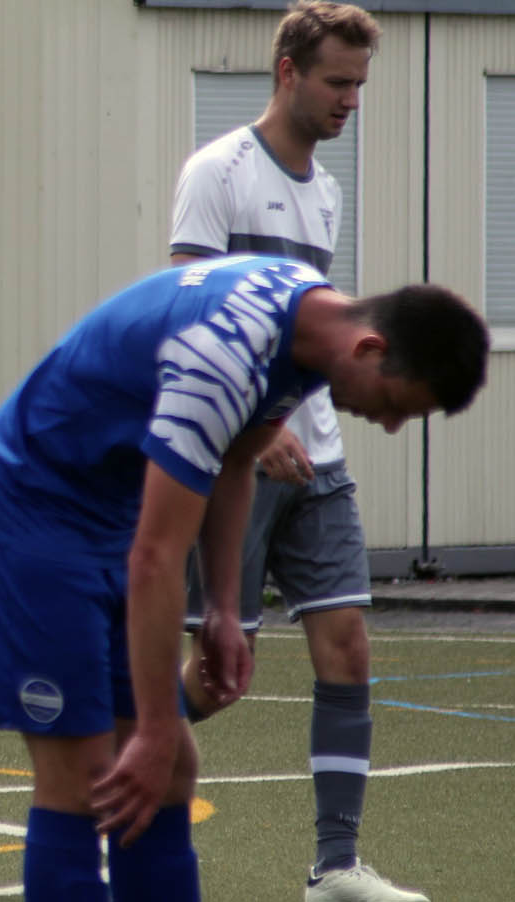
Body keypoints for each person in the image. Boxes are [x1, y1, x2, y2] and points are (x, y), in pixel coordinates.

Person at [0, 255, 488, 902]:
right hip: (28, 511)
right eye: (396, 404)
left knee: (172, 768)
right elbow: (155, 558)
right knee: (89, 776)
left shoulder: (306, 328)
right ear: (370, 348)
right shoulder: (224, 357)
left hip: (103, 513)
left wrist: (225, 608)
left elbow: (239, 460)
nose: (390, 423)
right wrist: (152, 726)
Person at [168, 5, 427, 899]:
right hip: (232, 457)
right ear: (287, 71)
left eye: (359, 84)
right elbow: (186, 311)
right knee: (212, 677)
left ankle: (335, 868)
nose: (351, 99)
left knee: (348, 646)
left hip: (317, 456)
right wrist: (259, 426)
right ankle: (107, 759)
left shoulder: (325, 187)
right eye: (337, 82)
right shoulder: (218, 172)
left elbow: (302, 327)